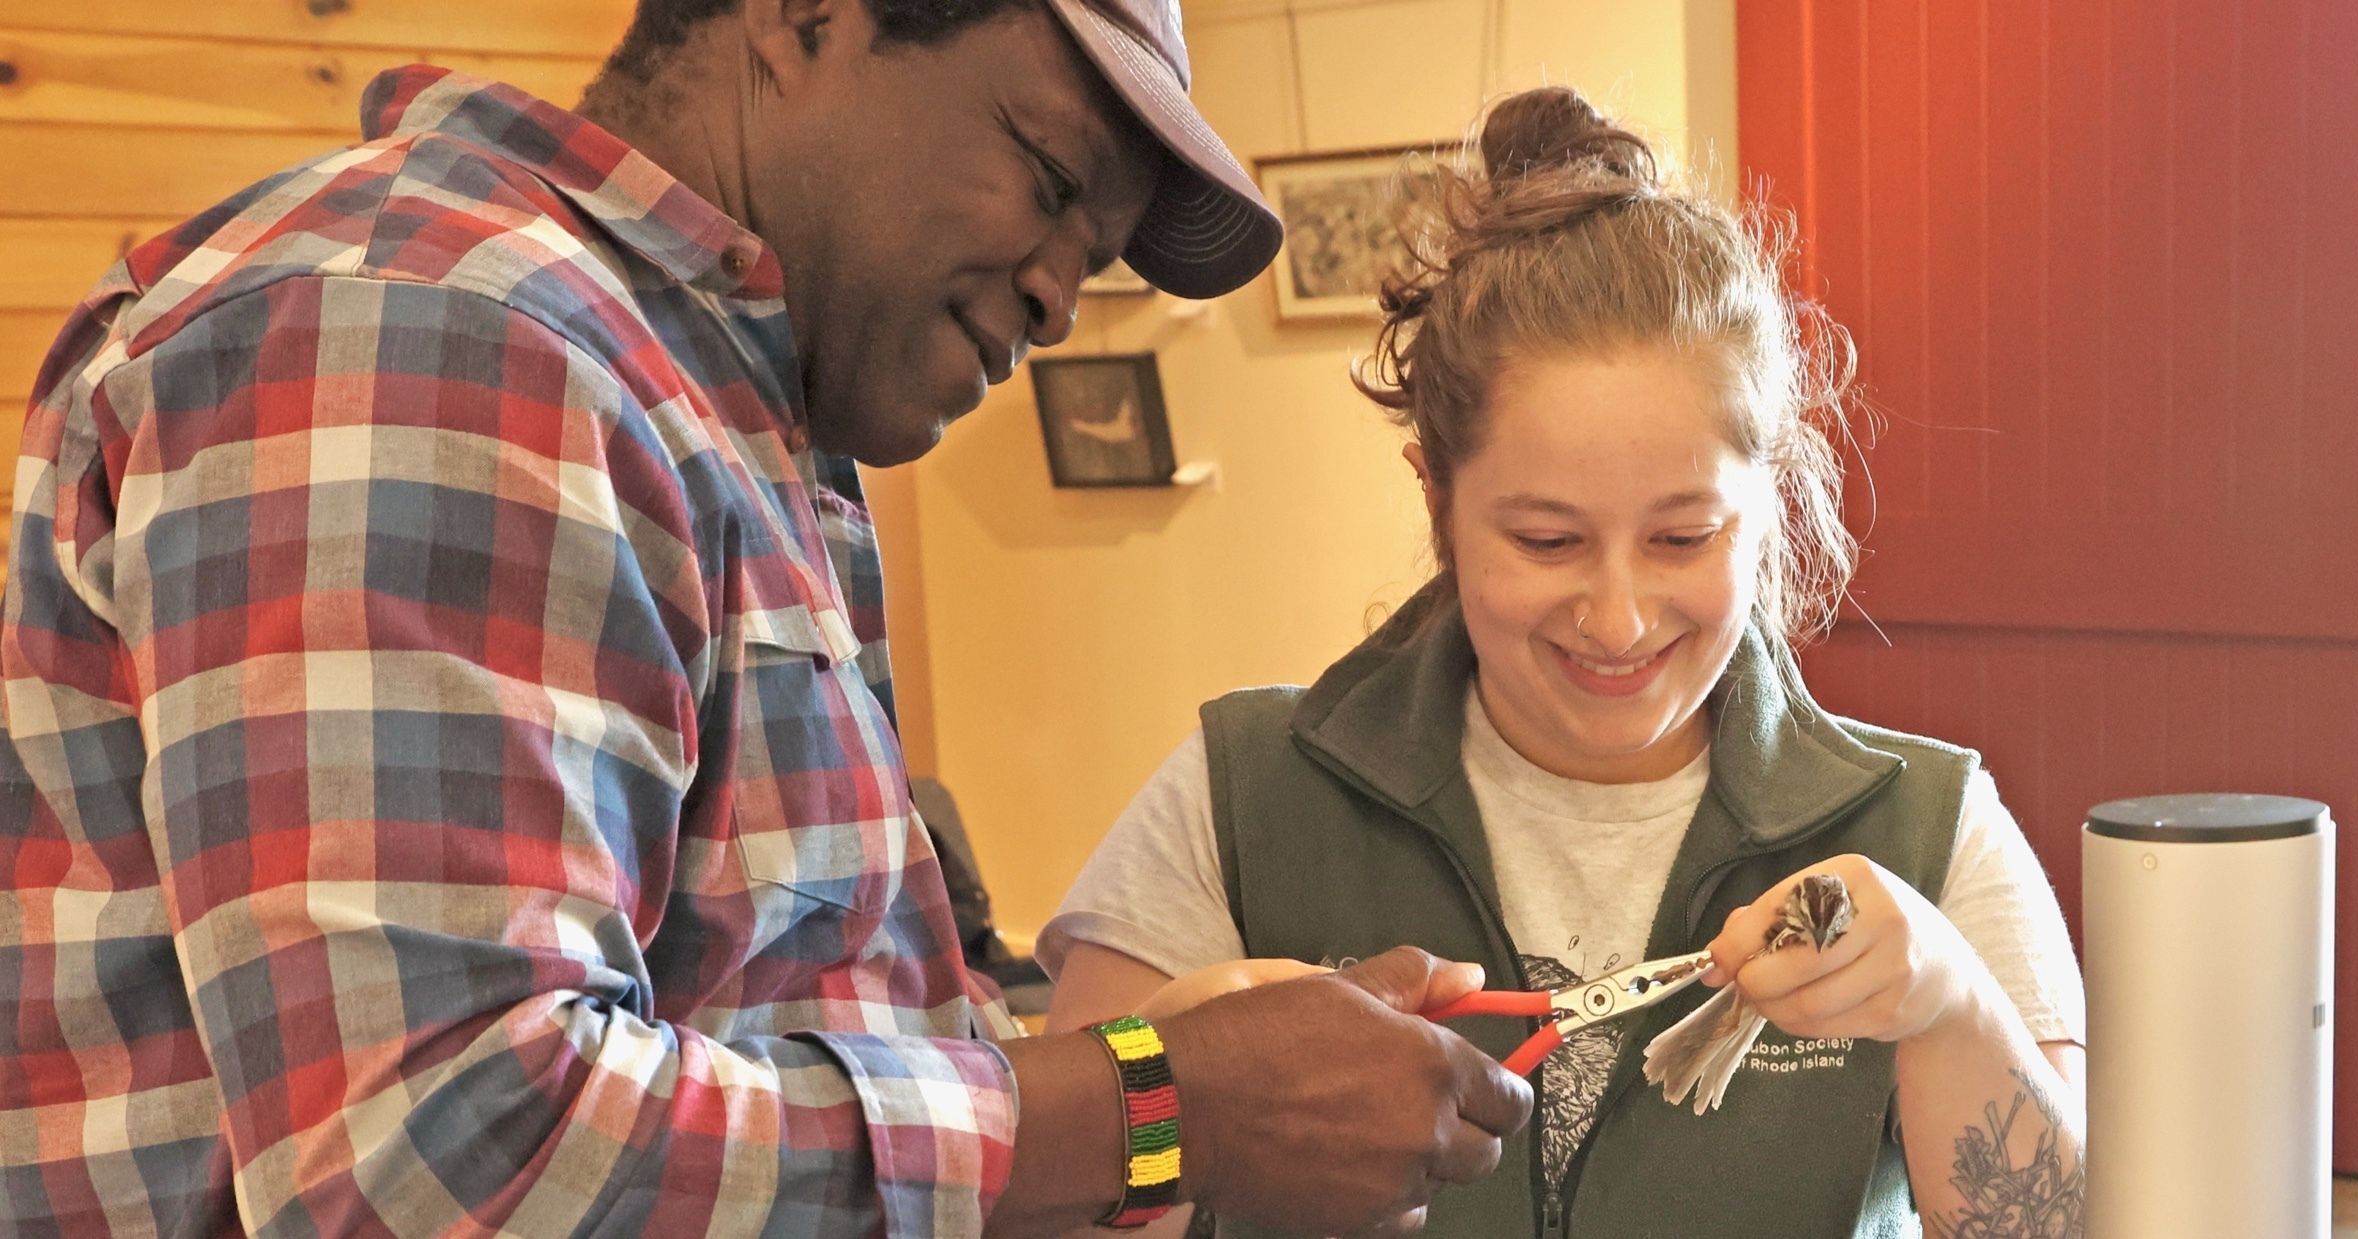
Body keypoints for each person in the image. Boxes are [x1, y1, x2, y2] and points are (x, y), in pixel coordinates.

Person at [0, 1, 1532, 1235]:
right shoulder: (437, 327)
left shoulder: (719, 407)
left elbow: (743, 1025)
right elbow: (445, 1166)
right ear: (803, 20)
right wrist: (1145, 1103)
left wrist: (1092, 1075)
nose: (1067, 296)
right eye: (1055, 182)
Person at [1044, 86, 2087, 1237]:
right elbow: (1039, 1208)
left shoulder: (1934, 831)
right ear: (1436, 497)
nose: (1620, 619)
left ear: (1770, 501)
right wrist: (1183, 1079)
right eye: (1546, 542)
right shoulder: (1235, 798)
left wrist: (1948, 1005)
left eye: (1683, 538)